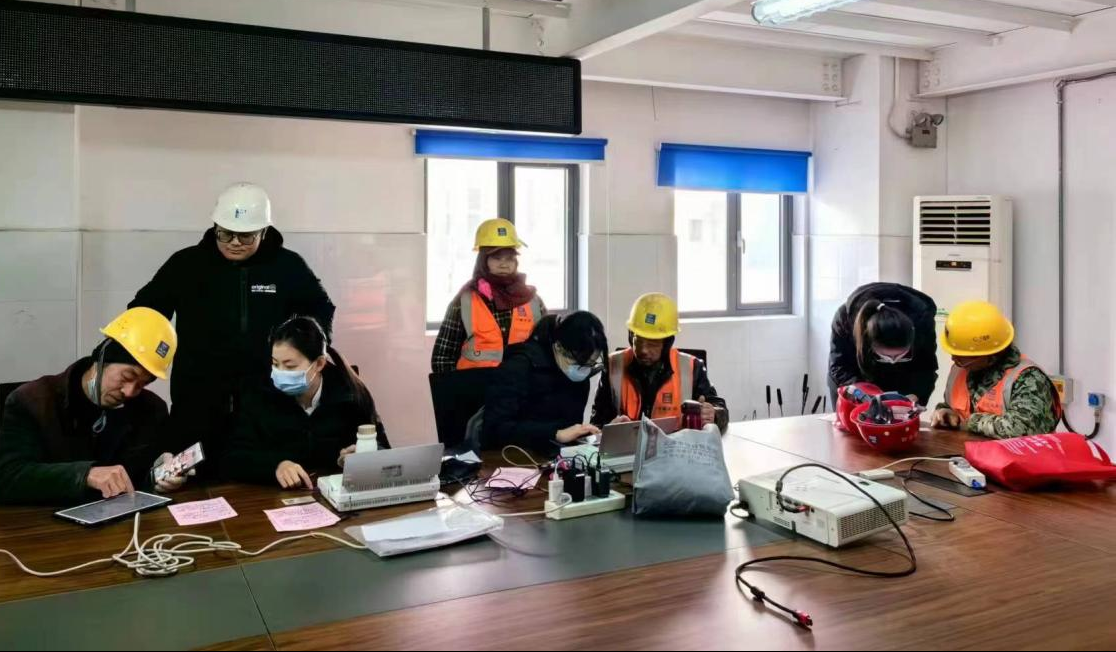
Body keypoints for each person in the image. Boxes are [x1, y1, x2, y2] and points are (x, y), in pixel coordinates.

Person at [129, 183, 335, 467]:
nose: (234, 242)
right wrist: (150, 358)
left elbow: (320, 309)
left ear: (264, 231)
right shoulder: (186, 264)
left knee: (268, 472)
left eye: (246, 236)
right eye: (225, 234)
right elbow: (144, 312)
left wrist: (307, 354)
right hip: (197, 399)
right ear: (215, 227)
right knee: (193, 476)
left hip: (267, 401)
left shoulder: (287, 266)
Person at [0, 308, 188, 505]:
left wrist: (158, 474)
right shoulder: (31, 401)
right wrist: (85, 475)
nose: (130, 392)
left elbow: (141, 475)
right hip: (46, 520)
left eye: (142, 384)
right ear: (102, 357)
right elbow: (8, 477)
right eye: (127, 376)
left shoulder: (152, 409)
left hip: (127, 520)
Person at [224, 316, 389, 489]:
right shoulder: (260, 394)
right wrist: (276, 466)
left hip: (335, 492)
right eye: (275, 364)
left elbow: (384, 449)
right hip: (276, 496)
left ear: (319, 364)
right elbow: (232, 458)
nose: (280, 373)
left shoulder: (351, 394)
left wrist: (365, 455)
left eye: (290, 366)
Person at [591, 293, 728, 432]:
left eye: (652, 343)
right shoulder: (613, 366)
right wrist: (607, 429)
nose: (643, 350)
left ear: (667, 343)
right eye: (639, 341)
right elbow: (596, 423)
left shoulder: (692, 368)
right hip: (626, 445)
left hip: (676, 444)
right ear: (630, 336)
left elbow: (720, 408)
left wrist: (714, 414)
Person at [480, 311, 608, 451]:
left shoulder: (579, 375)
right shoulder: (519, 367)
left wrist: (602, 432)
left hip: (557, 456)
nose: (583, 370)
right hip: (511, 456)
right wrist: (554, 434)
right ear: (558, 347)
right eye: (579, 362)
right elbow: (494, 429)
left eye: (590, 364)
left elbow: (571, 429)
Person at [932, 301, 1060, 439]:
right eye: (953, 353)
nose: (954, 359)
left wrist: (971, 421)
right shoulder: (960, 369)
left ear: (990, 355)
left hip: (1014, 454)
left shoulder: (1028, 379)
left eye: (962, 356)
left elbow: (1022, 428)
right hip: (959, 451)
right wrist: (944, 412)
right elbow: (951, 406)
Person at [431, 218, 546, 373]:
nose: (504, 264)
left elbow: (548, 351)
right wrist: (456, 387)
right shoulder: (465, 300)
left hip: (521, 386)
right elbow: (442, 358)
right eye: (497, 258)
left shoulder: (533, 301)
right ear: (483, 261)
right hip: (476, 387)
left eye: (510, 258)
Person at [828, 282, 938, 406]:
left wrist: (917, 393)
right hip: (856, 375)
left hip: (905, 376)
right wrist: (863, 394)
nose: (893, 362)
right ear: (869, 344)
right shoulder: (845, 320)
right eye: (886, 357)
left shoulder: (923, 322)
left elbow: (927, 367)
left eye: (902, 356)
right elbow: (840, 367)